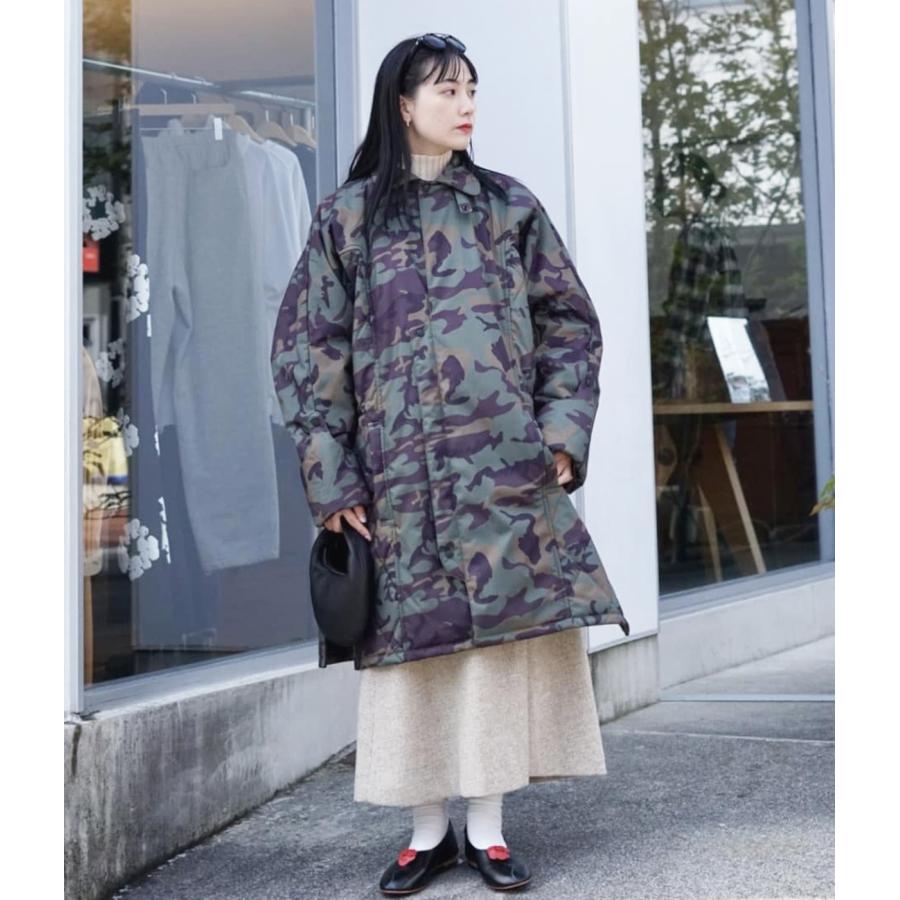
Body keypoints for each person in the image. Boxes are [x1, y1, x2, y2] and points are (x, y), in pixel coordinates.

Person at [271, 32, 630, 896]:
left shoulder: (508, 207)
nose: (466, 105)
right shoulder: (348, 218)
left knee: (494, 655)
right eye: (446, 91)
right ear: (403, 105)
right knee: (413, 659)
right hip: (394, 483)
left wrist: (561, 434)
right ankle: (426, 833)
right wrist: (332, 478)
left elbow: (571, 325)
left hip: (504, 477)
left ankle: (490, 830)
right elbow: (308, 354)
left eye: (471, 89)